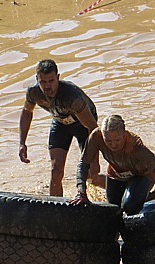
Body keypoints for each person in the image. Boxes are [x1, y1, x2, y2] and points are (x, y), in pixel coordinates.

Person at [71, 114, 155, 220]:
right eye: (108, 141)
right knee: (113, 209)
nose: (113, 145)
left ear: (124, 134)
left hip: (142, 176)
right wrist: (81, 193)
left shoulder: (135, 146)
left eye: (117, 140)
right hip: (116, 174)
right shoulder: (96, 137)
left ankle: (144, 199)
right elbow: (83, 164)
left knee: (130, 207)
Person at [18, 59, 104, 196]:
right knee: (56, 171)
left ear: (58, 77)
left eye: (51, 81)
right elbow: (27, 112)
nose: (47, 87)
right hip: (60, 122)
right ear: (37, 79)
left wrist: (95, 161)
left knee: (91, 175)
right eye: (43, 82)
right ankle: (55, 210)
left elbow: (93, 128)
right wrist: (22, 142)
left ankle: (121, 186)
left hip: (83, 125)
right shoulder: (33, 92)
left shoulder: (72, 97)